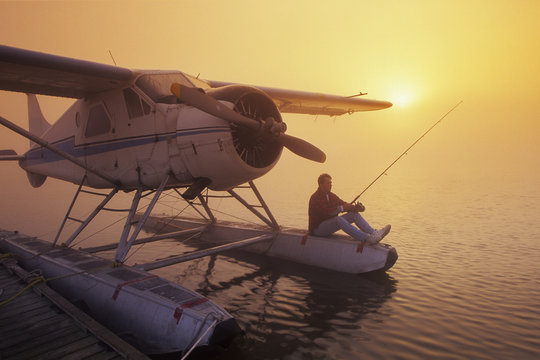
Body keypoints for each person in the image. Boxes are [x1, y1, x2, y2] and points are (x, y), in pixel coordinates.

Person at [308, 173, 391, 245]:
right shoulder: (315, 197)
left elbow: (343, 204)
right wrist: (342, 208)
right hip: (317, 230)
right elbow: (327, 213)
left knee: (353, 215)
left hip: (328, 226)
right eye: (328, 183)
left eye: (331, 183)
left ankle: (374, 233)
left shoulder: (331, 195)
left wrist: (356, 208)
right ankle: (366, 238)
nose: (331, 185)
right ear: (321, 184)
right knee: (338, 219)